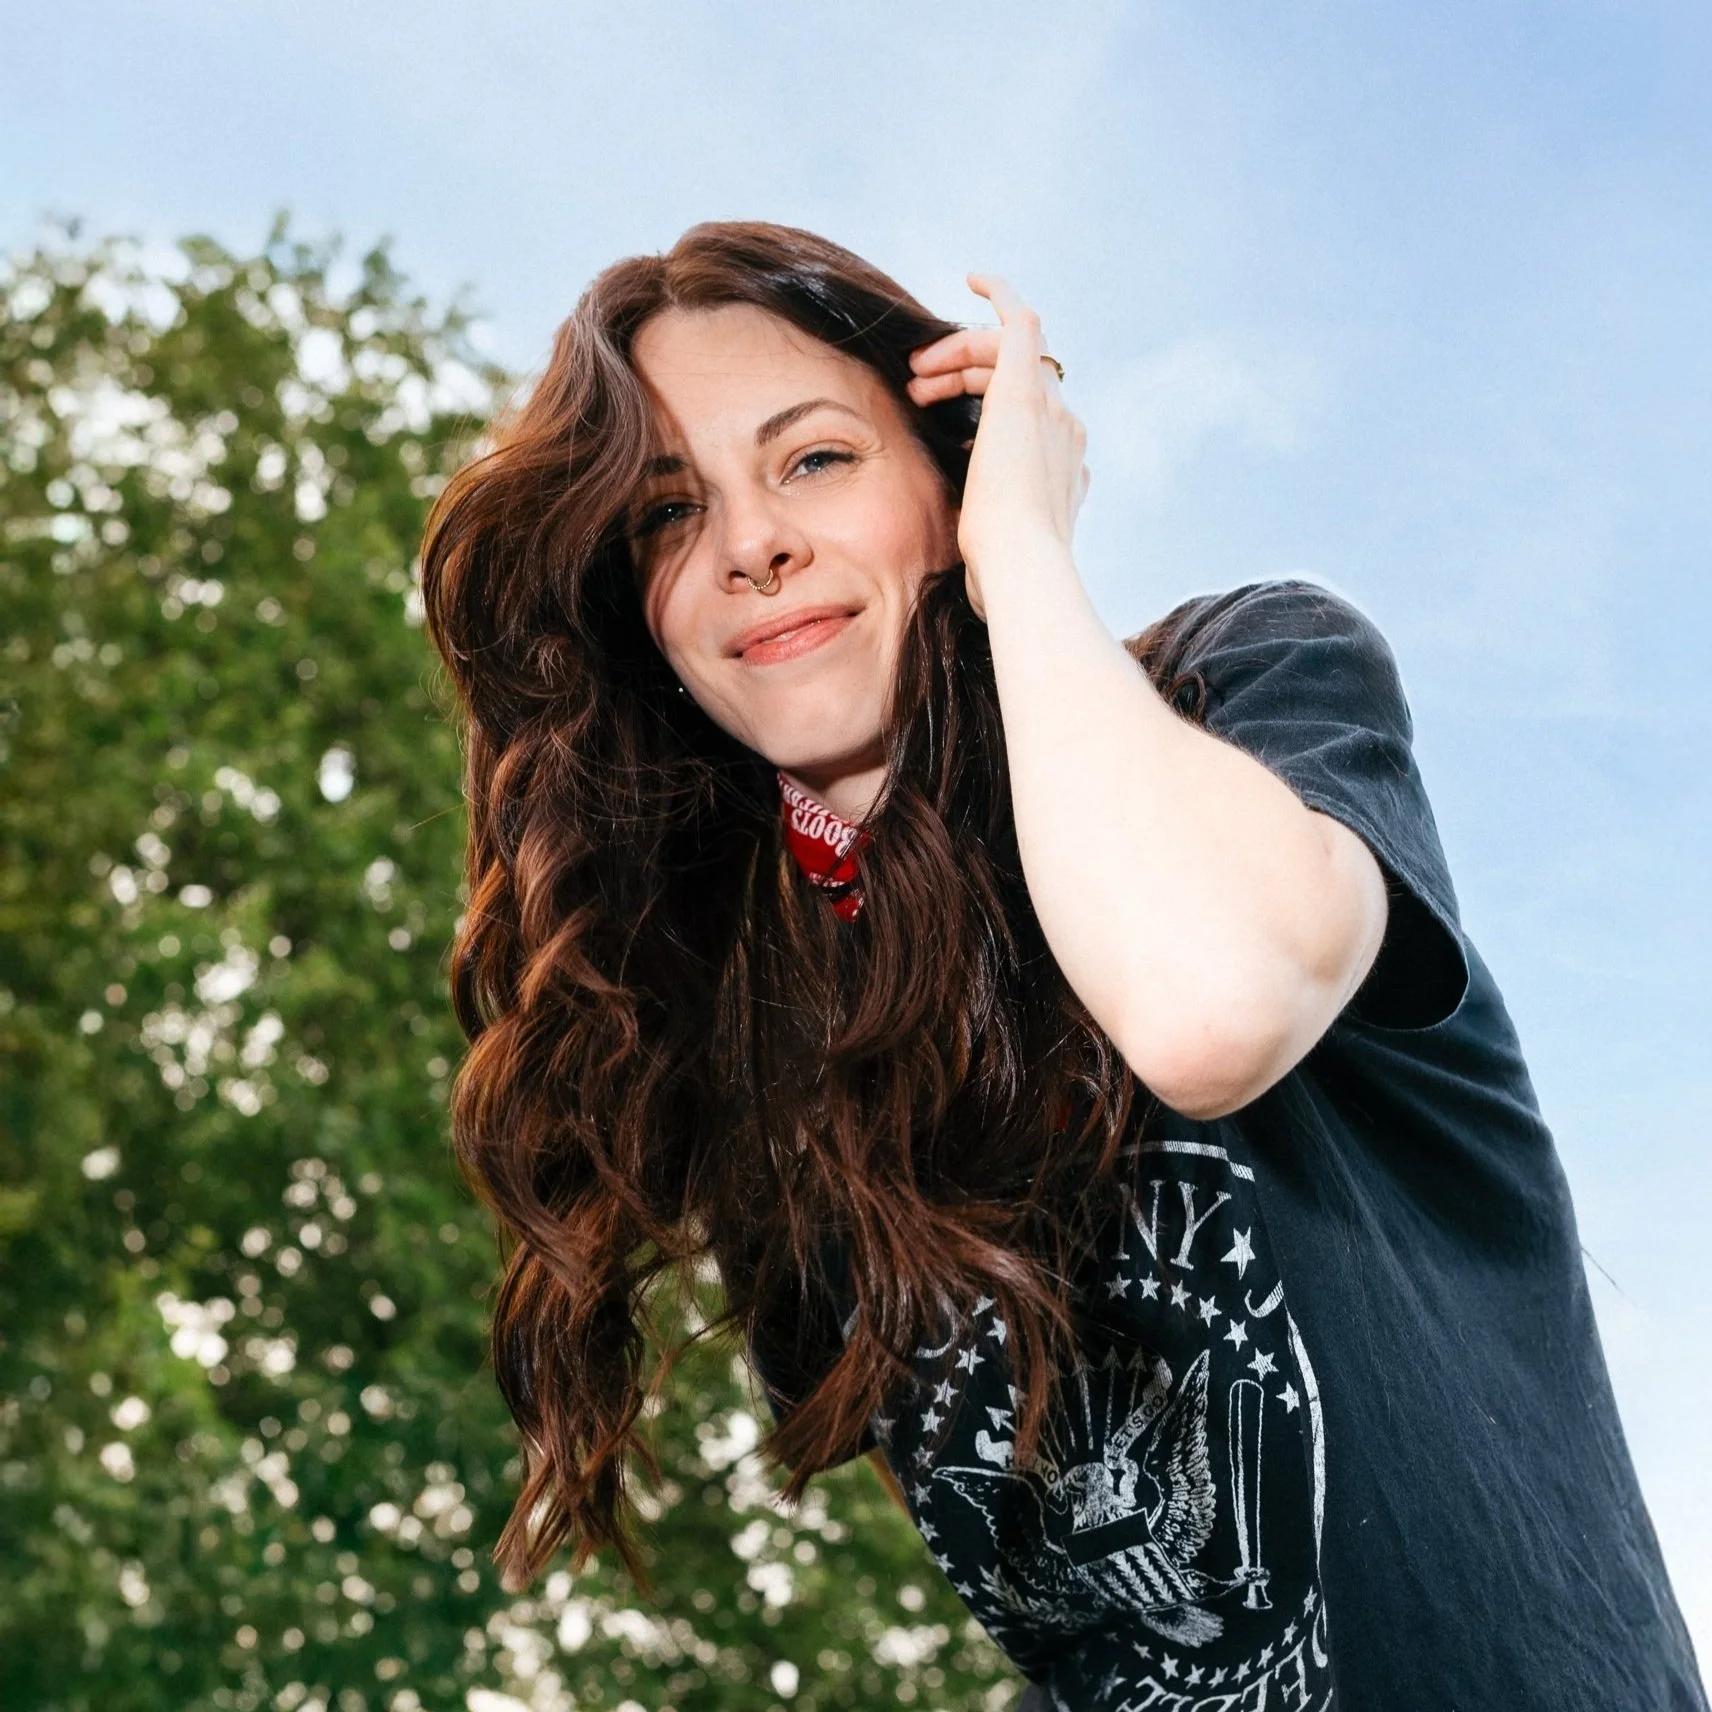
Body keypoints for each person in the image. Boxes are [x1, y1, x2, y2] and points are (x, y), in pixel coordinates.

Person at [419, 220, 1706, 1710]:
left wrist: (1023, 555)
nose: (749, 545)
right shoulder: (768, 1051)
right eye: (665, 514)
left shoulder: (1250, 688)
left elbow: (1212, 1006)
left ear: (952, 478)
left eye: (815, 459)